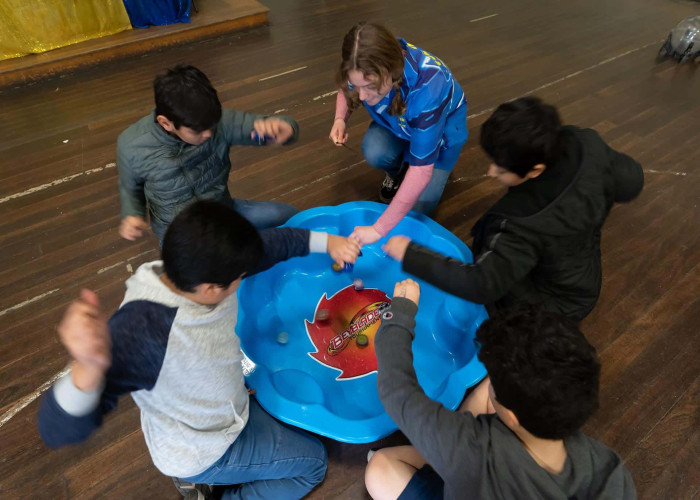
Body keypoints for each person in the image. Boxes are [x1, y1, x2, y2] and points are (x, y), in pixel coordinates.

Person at [38, 200, 362, 499]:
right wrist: (87, 369)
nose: (243, 277)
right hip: (204, 448)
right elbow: (56, 430)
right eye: (239, 278)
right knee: (313, 464)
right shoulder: (142, 332)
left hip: (221, 409)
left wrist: (328, 242)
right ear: (210, 289)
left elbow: (272, 246)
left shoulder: (200, 263)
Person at [367, 282, 636, 499]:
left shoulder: (469, 451)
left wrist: (399, 312)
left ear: (513, 417)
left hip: (469, 468)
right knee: (484, 393)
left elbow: (396, 390)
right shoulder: (611, 471)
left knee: (379, 467)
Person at [383, 96, 644, 321]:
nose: (490, 171)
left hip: (554, 305)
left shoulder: (523, 224)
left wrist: (410, 254)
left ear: (535, 170)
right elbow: (632, 180)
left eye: (501, 168)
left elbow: (481, 284)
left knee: (492, 311)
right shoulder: (586, 144)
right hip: (582, 276)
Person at [118, 64, 300, 244]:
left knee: (289, 216)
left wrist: (285, 128)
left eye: (211, 125)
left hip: (221, 212)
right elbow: (130, 187)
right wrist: (133, 214)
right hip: (179, 232)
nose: (208, 134)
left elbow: (263, 125)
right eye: (198, 130)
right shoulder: (132, 145)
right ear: (166, 123)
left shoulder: (218, 122)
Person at [329, 22, 468, 245]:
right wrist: (340, 118)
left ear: (391, 72)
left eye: (370, 87)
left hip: (440, 138)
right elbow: (348, 87)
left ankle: (411, 165)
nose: (362, 97)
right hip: (401, 125)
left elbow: (421, 172)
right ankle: (398, 173)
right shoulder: (362, 61)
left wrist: (378, 229)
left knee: (418, 209)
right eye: (358, 86)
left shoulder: (430, 87)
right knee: (375, 151)